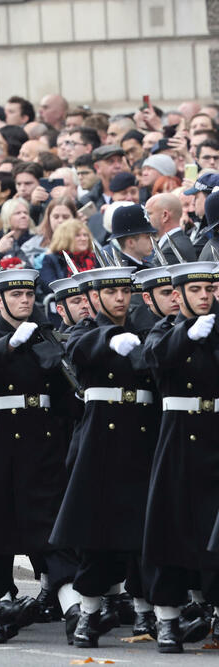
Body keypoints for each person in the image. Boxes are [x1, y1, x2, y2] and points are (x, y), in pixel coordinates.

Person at [0, 268, 76, 644]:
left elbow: (62, 391)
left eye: (28, 295)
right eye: (15, 296)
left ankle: (73, 603)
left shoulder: (42, 334)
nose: (24, 301)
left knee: (51, 523)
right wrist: (9, 344)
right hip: (1, 441)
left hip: (42, 439)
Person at [51, 266, 158, 647]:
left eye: (123, 291)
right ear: (94, 297)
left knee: (142, 533)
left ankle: (150, 612)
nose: (119, 298)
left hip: (140, 437)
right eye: (110, 292)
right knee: (96, 531)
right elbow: (77, 349)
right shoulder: (85, 330)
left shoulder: (145, 326)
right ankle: (90, 612)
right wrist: (112, 337)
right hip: (100, 442)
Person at [142, 261, 219, 653]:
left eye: (210, 288)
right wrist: (187, 335)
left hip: (216, 434)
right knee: (170, 528)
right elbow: (154, 359)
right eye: (196, 290)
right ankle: (168, 618)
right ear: (177, 296)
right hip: (179, 436)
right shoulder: (165, 330)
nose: (205, 296)